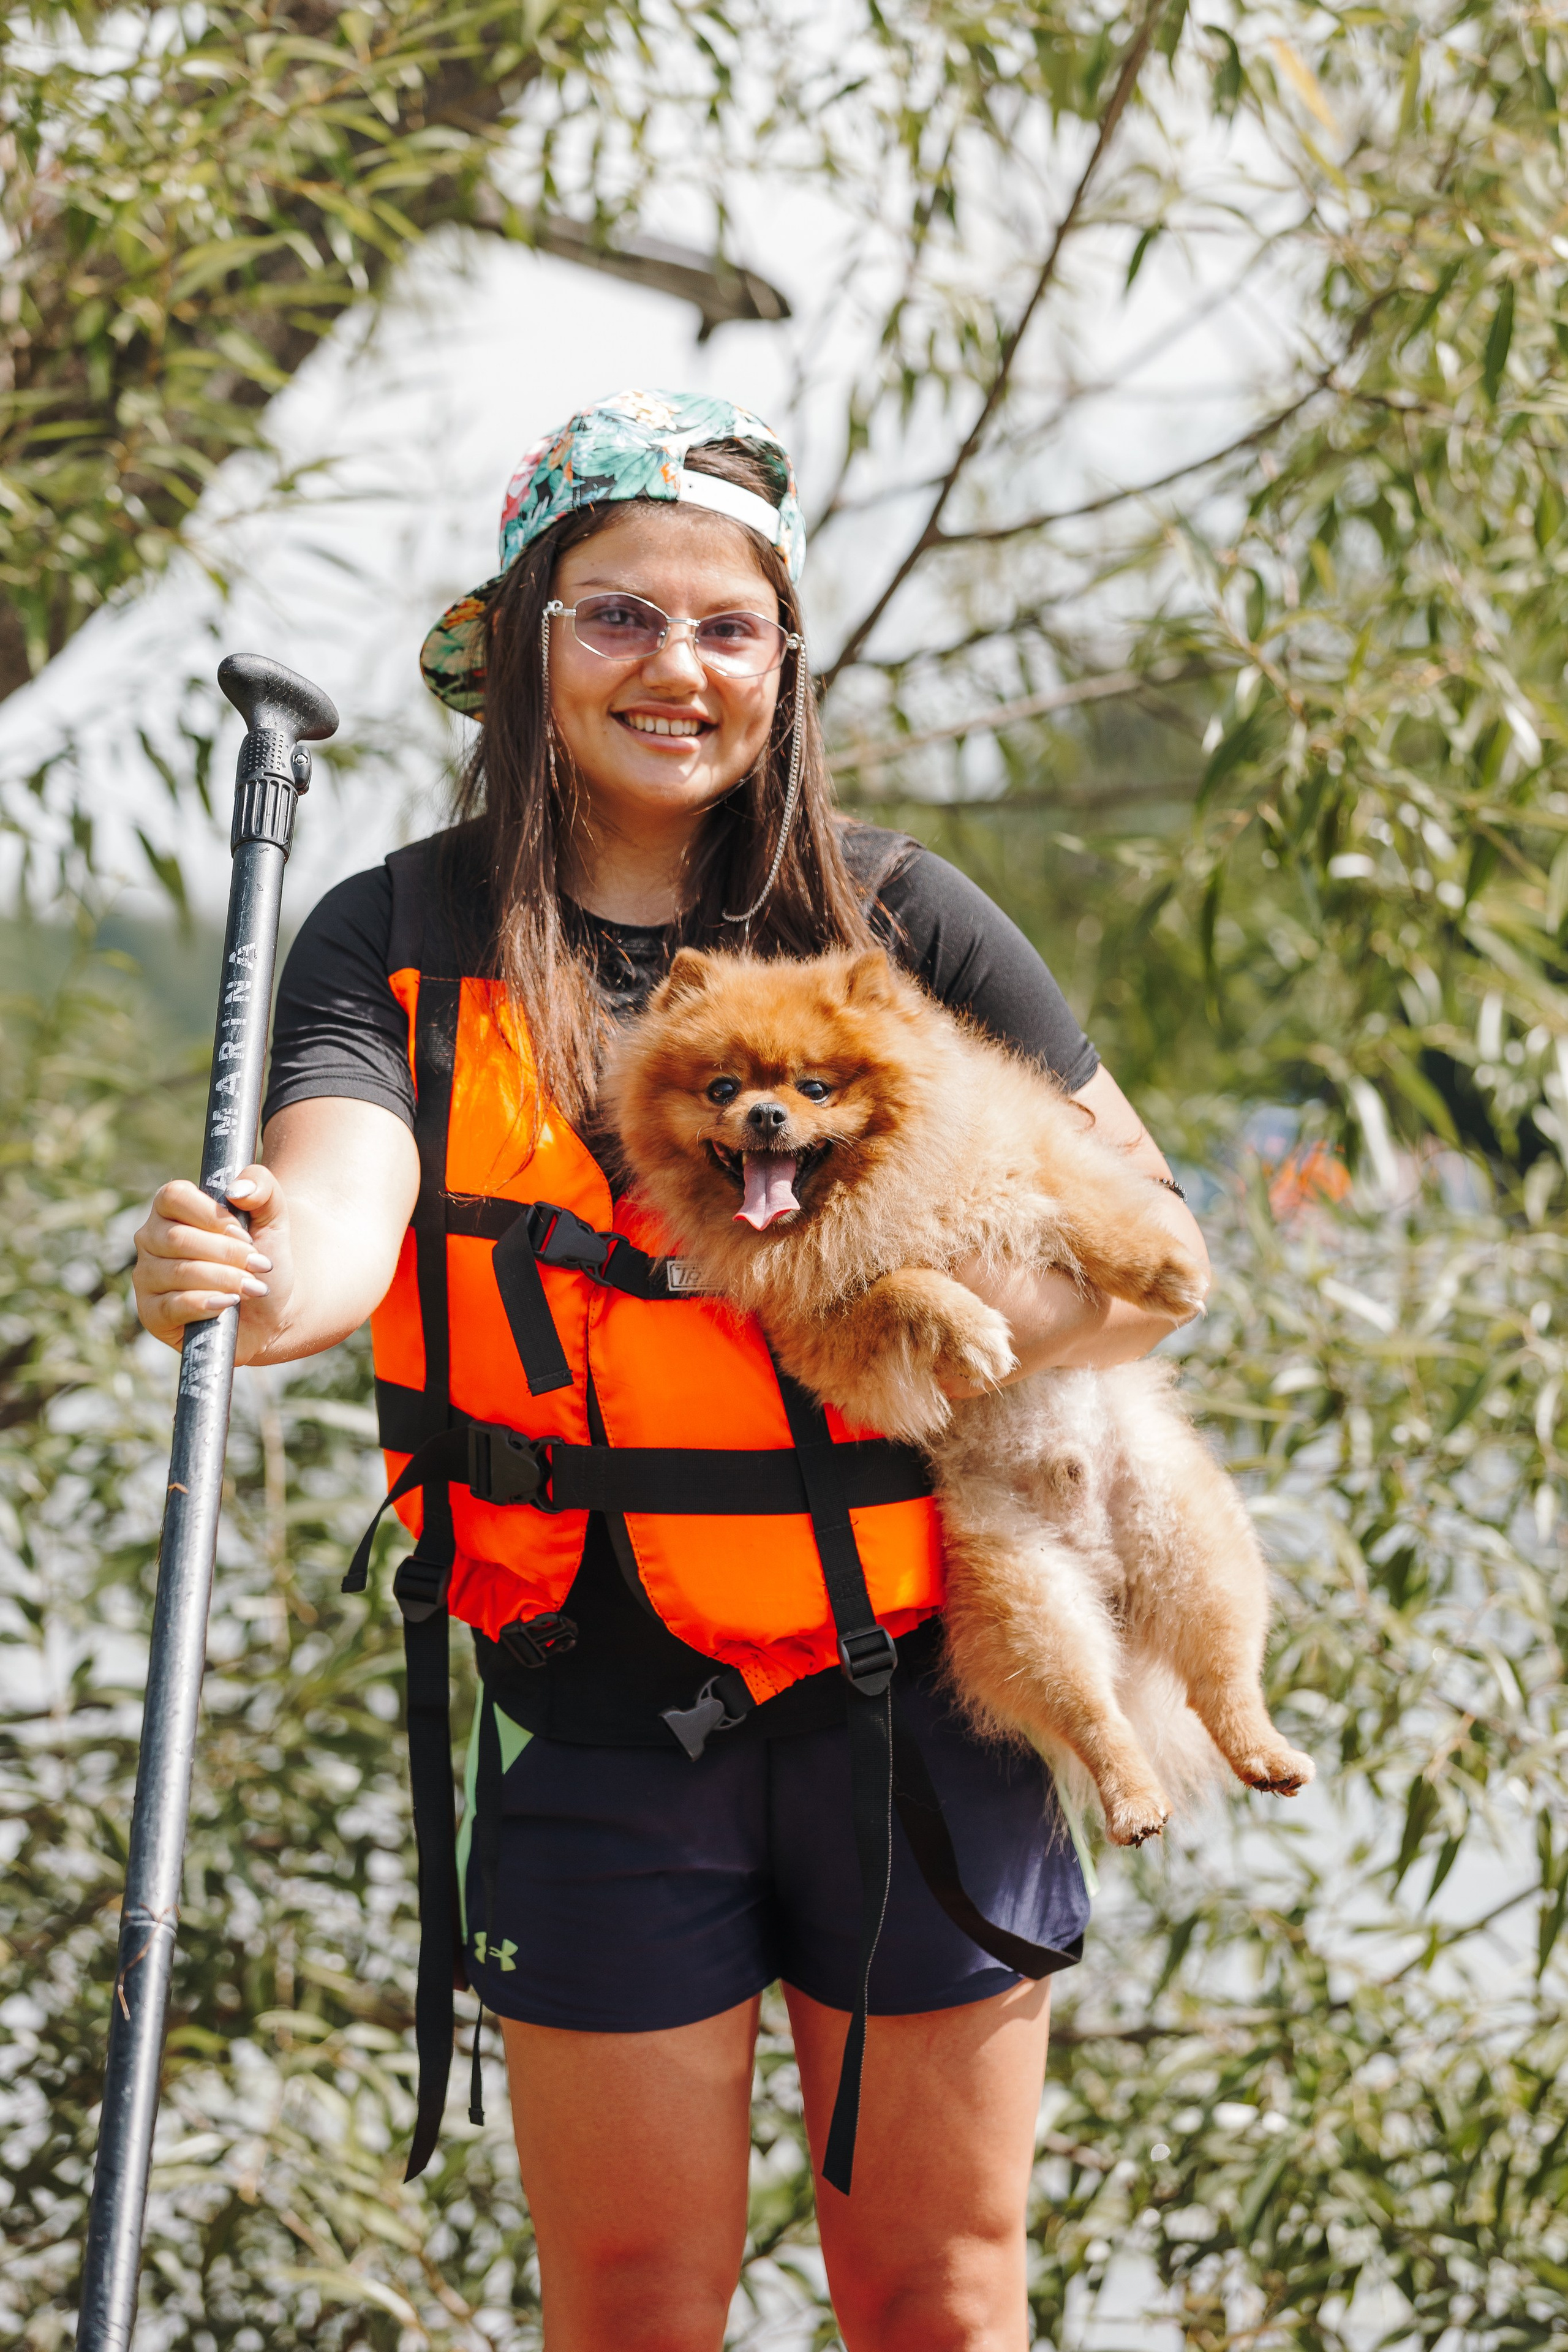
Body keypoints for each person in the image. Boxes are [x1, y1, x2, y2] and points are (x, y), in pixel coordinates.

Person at [133, 389, 1208, 2352]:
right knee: (630, 2305)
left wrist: (922, 1330)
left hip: (919, 1702)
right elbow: (333, 1229)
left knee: (946, 2299)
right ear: (531, 640)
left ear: (783, 666)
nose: (676, 666)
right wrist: (238, 1270)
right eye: (620, 615)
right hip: (598, 1716)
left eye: (727, 626)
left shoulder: (903, 927)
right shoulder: (400, 934)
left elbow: (1154, 1262)